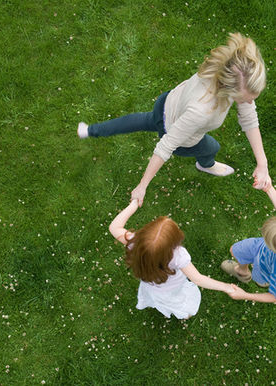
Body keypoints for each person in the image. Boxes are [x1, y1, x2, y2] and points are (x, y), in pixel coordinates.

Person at [78, 33, 270, 206]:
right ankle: (206, 165)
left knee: (141, 120)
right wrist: (142, 186)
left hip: (165, 104)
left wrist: (262, 164)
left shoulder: (221, 70)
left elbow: (248, 117)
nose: (252, 101)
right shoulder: (202, 111)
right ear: (228, 88)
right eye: (248, 97)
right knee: (212, 148)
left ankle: (90, 130)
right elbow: (166, 145)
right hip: (175, 129)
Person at [109, 199, 234, 319]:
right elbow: (199, 279)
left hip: (152, 287)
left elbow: (114, 227)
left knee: (162, 300)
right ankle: (184, 313)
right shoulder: (178, 256)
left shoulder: (136, 243)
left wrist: (133, 205)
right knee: (177, 302)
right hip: (172, 288)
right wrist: (226, 287)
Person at [222, 217, 276, 304]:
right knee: (235, 250)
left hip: (265, 266)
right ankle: (242, 273)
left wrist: (245, 295)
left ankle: (266, 280)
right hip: (258, 246)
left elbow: (274, 297)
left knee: (260, 277)